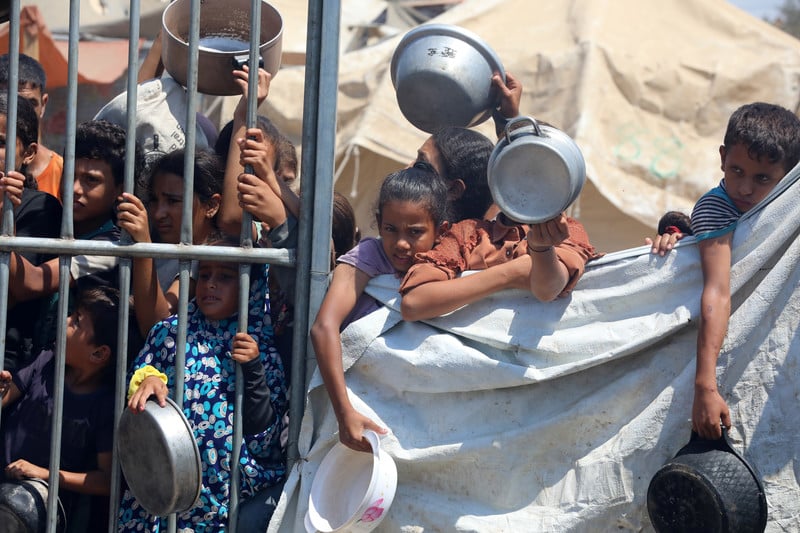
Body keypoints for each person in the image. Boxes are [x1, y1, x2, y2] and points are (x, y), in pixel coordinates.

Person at [119, 238, 289, 532]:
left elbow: (264, 439)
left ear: (252, 285)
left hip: (221, 501)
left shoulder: (260, 349)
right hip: (161, 495)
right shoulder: (169, 332)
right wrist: (147, 381)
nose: (210, 284)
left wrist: (253, 369)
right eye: (205, 274)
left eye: (224, 277)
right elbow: (140, 377)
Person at [310, 165, 450, 452]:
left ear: (441, 231)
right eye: (390, 229)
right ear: (378, 222)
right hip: (358, 401)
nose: (401, 243)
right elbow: (324, 327)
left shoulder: (446, 263)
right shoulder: (368, 256)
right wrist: (344, 410)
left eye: (415, 232)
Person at [688, 102, 800, 440]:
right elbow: (718, 292)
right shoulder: (717, 208)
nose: (746, 188)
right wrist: (705, 385)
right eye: (736, 171)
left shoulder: (782, 211)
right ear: (722, 158)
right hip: (716, 364)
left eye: (762, 178)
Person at [0, 286, 142, 531]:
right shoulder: (47, 360)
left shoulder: (106, 405)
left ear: (99, 353)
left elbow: (108, 479)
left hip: (43, 514)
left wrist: (47, 473)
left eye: (76, 321)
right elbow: (7, 394)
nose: (65, 321)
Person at [399, 208, 600, 321]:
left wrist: (541, 248)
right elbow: (414, 304)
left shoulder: (568, 231)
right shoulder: (470, 232)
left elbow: (548, 289)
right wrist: (509, 274)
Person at [116, 147, 223, 337]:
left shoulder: (206, 260)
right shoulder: (166, 246)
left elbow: (156, 324)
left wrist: (144, 249)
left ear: (211, 206)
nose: (158, 213)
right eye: (154, 200)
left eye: (173, 201)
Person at [0, 93, 63, 370]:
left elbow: (13, 293)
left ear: (28, 153)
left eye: (1, 143)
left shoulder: (40, 207)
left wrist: (3, 214)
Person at [0, 53, 63, 201]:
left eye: (30, 103)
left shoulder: (63, 172)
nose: (20, 111)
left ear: (43, 104)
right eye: (8, 102)